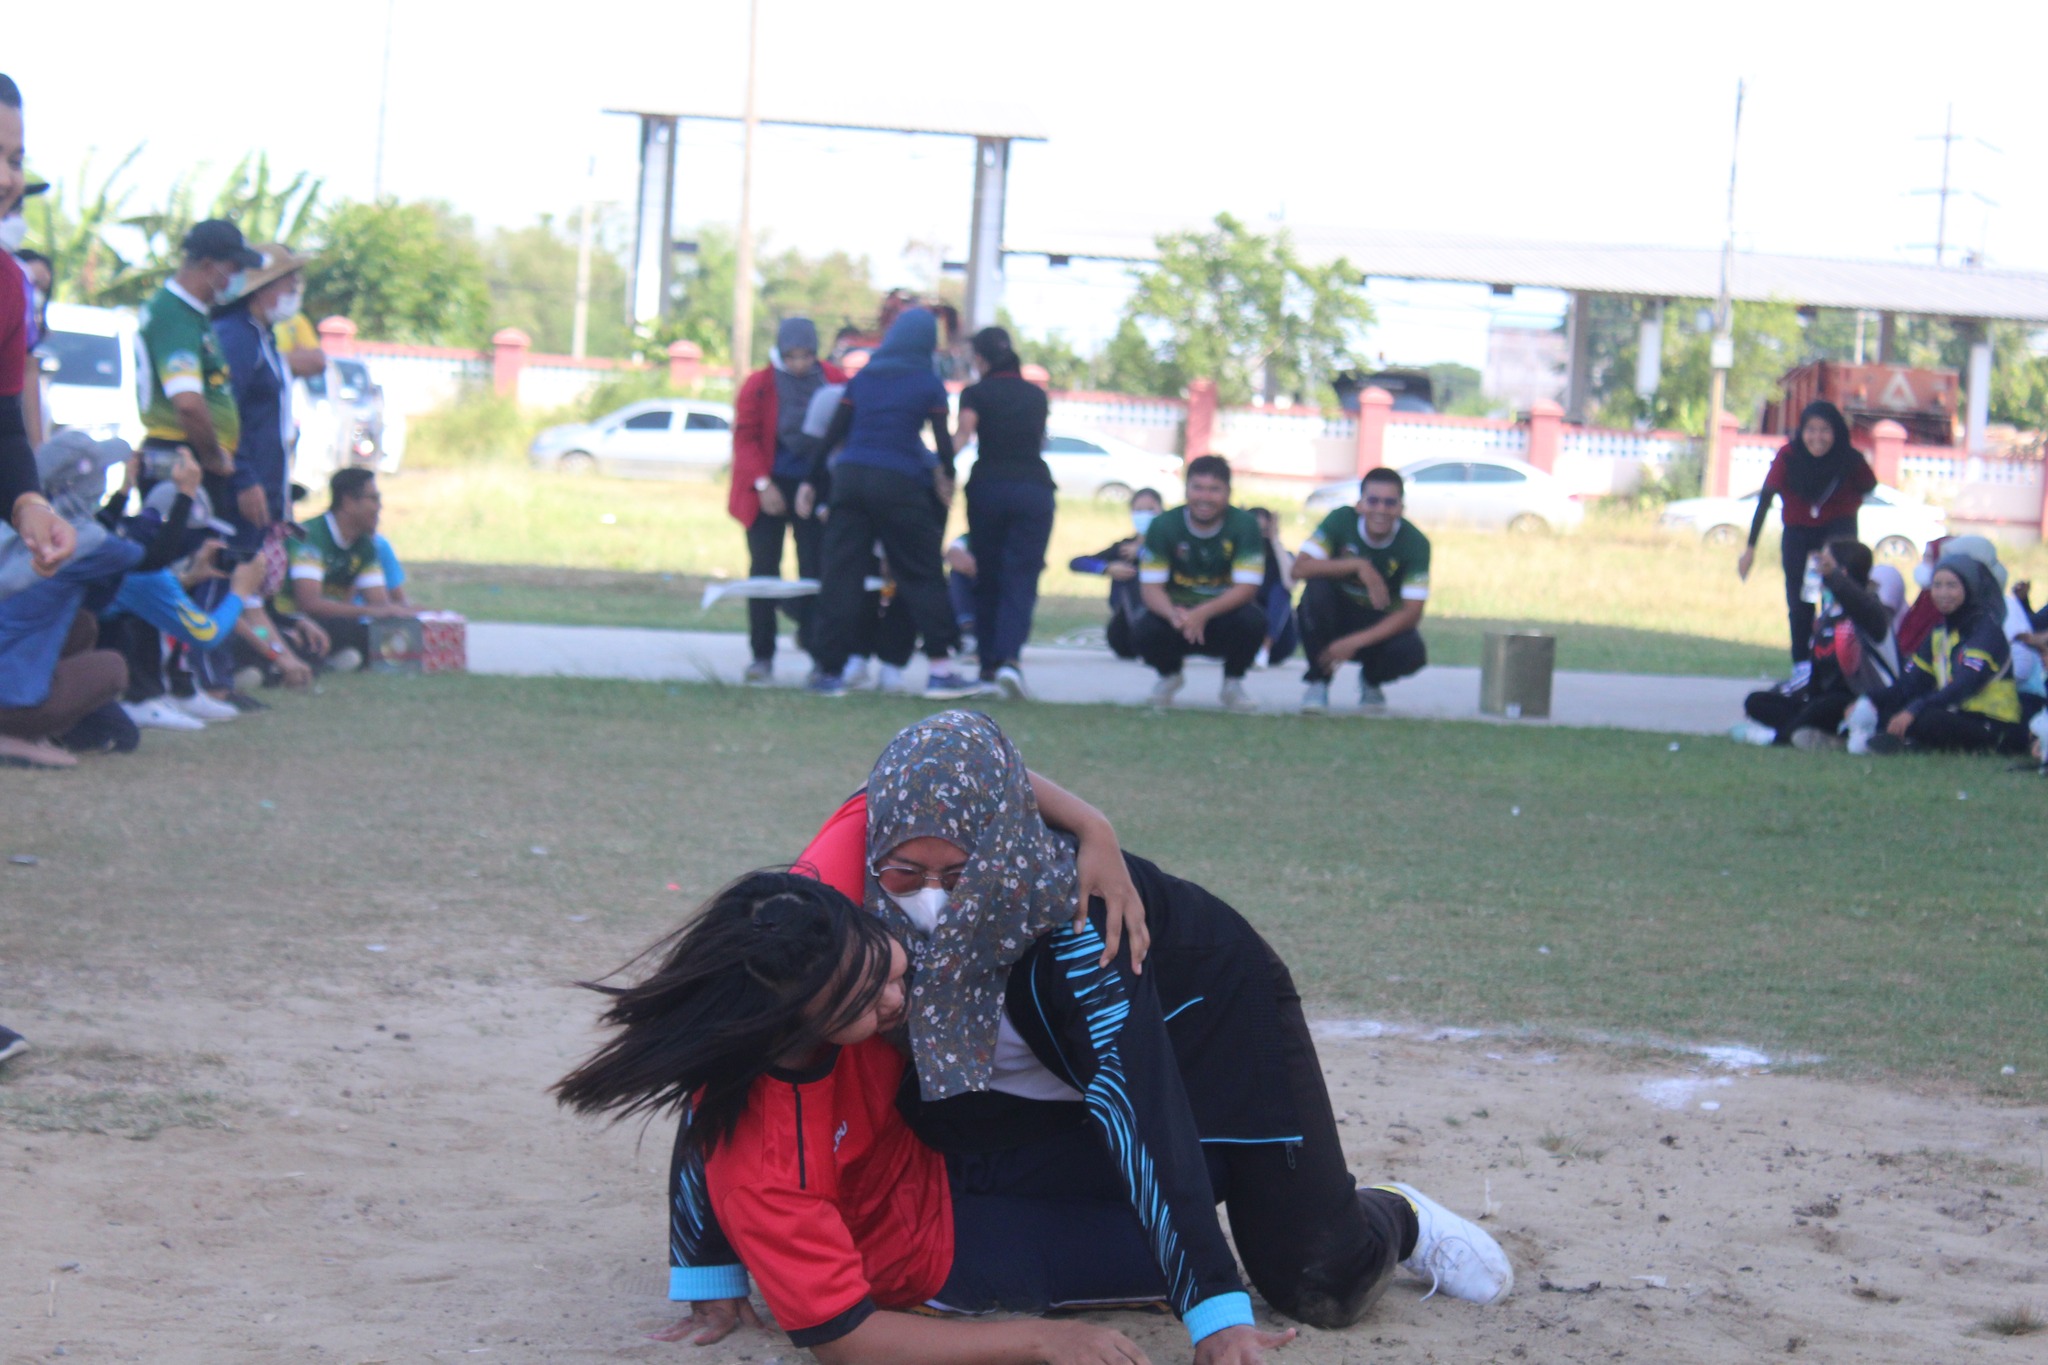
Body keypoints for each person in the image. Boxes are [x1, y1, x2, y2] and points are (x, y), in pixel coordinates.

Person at [659, 714, 1513, 1364]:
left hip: (1201, 1012)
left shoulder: (1072, 924)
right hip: (1028, 1075)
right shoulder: (827, 912)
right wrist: (706, 1263)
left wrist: (1214, 1312)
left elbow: (1136, 1098)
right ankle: (1175, 1209)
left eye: (956, 876)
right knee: (1016, 1166)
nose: (927, 904)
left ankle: (1393, 1215)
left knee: (1312, 1277)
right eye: (903, 876)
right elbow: (724, 1046)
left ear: (1000, 849)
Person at [558, 871, 1168, 1365]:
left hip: (958, 1151)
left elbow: (939, 765)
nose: (895, 1000)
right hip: (934, 1256)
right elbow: (848, 1341)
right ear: (791, 1022)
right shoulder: (765, 1166)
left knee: (1196, 1170)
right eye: (863, 1001)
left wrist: (1095, 831)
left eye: (887, 967)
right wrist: (1042, 1339)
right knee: (1160, 1258)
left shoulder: (824, 933)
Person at [796, 309, 978, 700]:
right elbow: (943, 440)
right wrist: (946, 474)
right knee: (921, 573)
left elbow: (835, 432)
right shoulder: (927, 381)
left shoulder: (865, 377)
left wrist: (812, 480)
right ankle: (941, 670)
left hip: (849, 480)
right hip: (899, 484)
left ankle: (830, 671)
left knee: (841, 575)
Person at [732, 318, 845, 685]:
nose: (799, 364)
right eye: (791, 356)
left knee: (814, 569)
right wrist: (764, 486)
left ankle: (817, 653)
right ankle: (761, 655)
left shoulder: (834, 379)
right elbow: (745, 438)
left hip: (815, 485)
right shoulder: (759, 384)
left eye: (806, 355)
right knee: (764, 570)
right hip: (769, 485)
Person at [1736, 401, 1875, 690]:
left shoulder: (1849, 460)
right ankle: (1802, 668)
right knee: (1800, 605)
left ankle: (1838, 669)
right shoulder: (1788, 456)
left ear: (1836, 432)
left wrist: (1846, 506)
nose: (1817, 437)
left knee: (1839, 602)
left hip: (1839, 539)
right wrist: (1750, 548)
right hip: (1798, 538)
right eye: (1811, 430)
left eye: (1825, 430)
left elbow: (1868, 485)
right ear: (1802, 431)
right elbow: (1766, 499)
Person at [137, 219, 263, 520]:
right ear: (208, 265)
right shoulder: (175, 315)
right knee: (193, 561)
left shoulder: (192, 314)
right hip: (182, 460)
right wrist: (213, 457)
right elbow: (188, 404)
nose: (238, 278)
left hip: (190, 458)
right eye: (234, 269)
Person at [0, 74, 74, 579]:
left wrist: (31, 505)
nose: (7, 180)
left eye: (14, 160)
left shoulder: (9, 284)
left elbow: (4, 426)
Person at [956, 327, 1054, 699]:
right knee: (1023, 575)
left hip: (989, 488)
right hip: (1034, 488)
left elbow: (964, 435)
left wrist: (938, 466)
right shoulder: (1036, 395)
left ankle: (987, 665)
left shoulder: (976, 393)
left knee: (988, 574)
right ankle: (1011, 659)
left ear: (981, 359)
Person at [1731, 539, 1897, 749]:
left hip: (1862, 701)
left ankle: (1777, 737)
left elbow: (1860, 603)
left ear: (1841, 573)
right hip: (1822, 700)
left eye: (1825, 563)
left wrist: (1833, 578)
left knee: (1826, 705)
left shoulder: (1872, 612)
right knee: (1757, 701)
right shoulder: (1828, 615)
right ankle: (1825, 735)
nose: (1818, 568)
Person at [1135, 456, 1268, 712]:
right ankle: (1169, 675)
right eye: (1197, 488)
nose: (1205, 497)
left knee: (1254, 620)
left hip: (1221, 616)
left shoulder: (1245, 525)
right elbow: (1151, 588)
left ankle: (1233, 683)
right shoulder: (1163, 525)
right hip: (1179, 616)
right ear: (1186, 490)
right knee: (1144, 625)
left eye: (1214, 489)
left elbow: (1247, 588)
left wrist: (1202, 613)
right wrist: (1173, 614)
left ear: (1228, 493)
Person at [1292, 467, 1430, 713]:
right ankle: (1318, 681)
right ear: (1360, 504)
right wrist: (1357, 565)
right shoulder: (1339, 520)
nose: (1381, 510)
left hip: (1378, 617)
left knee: (1412, 652)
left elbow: (1412, 613)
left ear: (1400, 508)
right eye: (1373, 501)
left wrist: (1354, 642)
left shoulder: (1416, 543)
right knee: (1316, 590)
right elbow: (1299, 569)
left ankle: (1372, 681)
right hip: (1337, 613)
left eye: (1390, 503)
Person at [1863, 555, 2028, 756]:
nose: (1943, 593)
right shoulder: (1939, 632)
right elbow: (1910, 684)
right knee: (1891, 709)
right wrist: (1867, 702)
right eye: (1937, 585)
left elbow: (1963, 685)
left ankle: (1910, 741)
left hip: (1993, 723)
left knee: (1926, 717)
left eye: (1952, 586)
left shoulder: (1986, 629)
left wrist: (1914, 709)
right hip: (1956, 713)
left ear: (1970, 587)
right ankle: (1906, 740)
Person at [278, 467, 417, 669]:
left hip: (333, 623)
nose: (379, 507)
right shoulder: (311, 536)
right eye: (373, 499)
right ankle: (330, 658)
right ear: (349, 502)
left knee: (377, 631)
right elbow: (309, 604)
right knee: (341, 629)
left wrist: (416, 613)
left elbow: (380, 605)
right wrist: (374, 611)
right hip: (293, 621)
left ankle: (335, 658)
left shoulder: (365, 545)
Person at [1070, 487, 1163, 661]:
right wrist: (1107, 568)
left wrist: (1144, 553)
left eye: (1150, 510)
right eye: (1139, 510)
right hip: (1125, 632)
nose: (1144, 515)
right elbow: (1076, 563)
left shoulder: (1170, 546)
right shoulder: (1123, 548)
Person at [1245, 507, 1298, 668]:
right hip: (1244, 637)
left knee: (1281, 590)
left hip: (1278, 643)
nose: (1261, 535)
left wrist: (1275, 540)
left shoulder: (1282, 556)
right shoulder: (1240, 556)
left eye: (1265, 530)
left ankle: (1264, 649)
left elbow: (1290, 582)